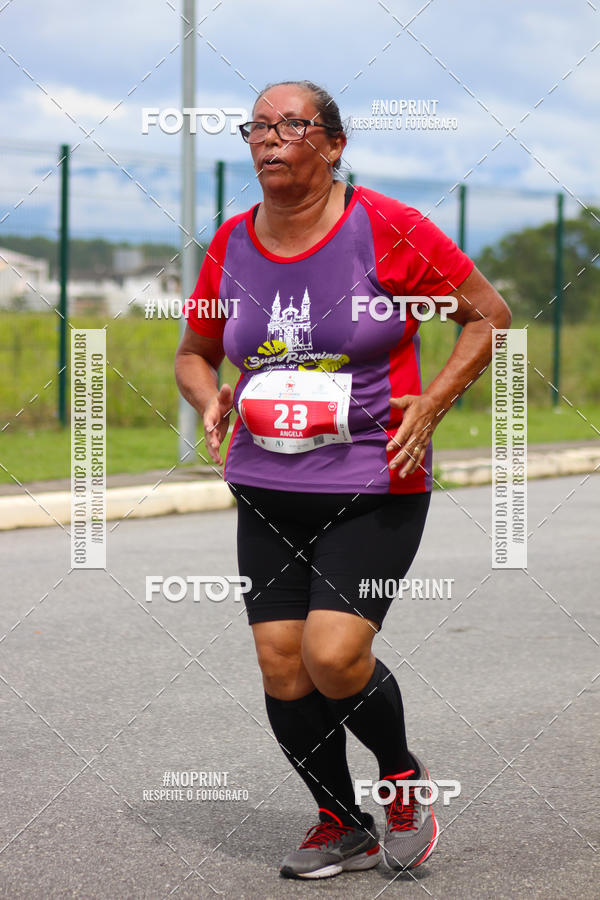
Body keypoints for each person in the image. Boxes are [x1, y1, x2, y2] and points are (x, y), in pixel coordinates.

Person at [175, 79, 511, 880]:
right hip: (265, 485)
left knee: (333, 656)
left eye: (289, 126)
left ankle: (400, 778)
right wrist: (207, 398)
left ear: (332, 145)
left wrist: (432, 401)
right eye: (256, 126)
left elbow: (486, 312)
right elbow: (195, 350)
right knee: (281, 664)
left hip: (372, 478)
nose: (268, 139)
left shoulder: (387, 228)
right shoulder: (231, 241)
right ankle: (339, 820)